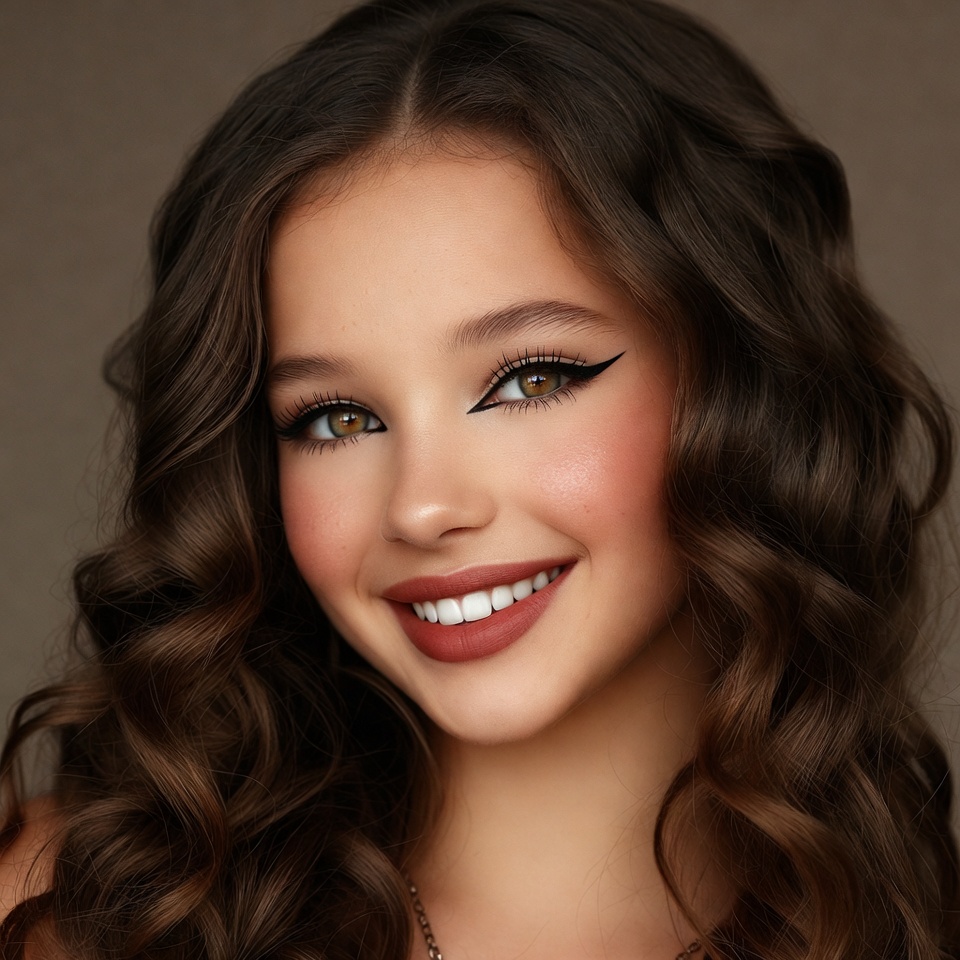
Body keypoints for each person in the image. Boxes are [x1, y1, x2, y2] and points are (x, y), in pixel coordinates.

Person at [1, 0, 957, 957]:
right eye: (338, 419)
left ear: (745, 382)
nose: (423, 506)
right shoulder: (64, 919)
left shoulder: (903, 930)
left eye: (532, 380)